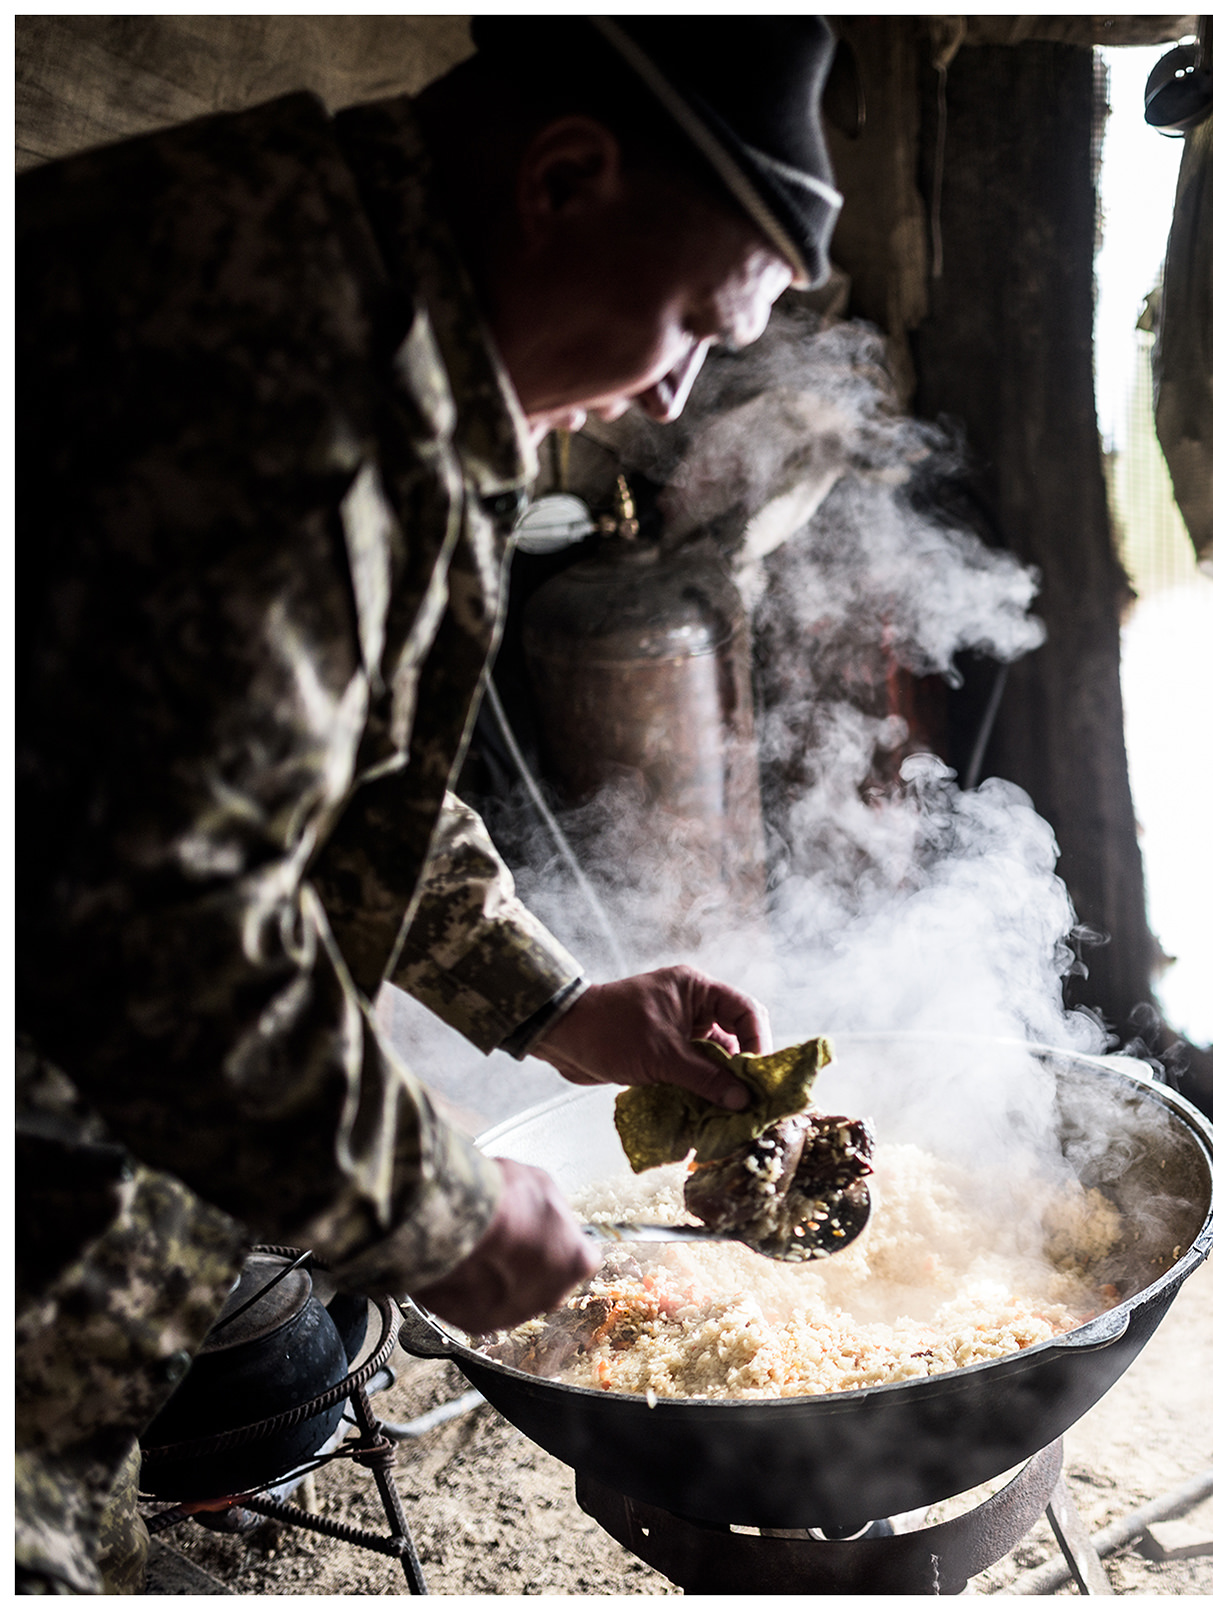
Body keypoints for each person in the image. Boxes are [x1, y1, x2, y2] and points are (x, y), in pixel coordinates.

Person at [16, 17, 841, 1593]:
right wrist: (439, 1209)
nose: (672, 396)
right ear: (565, 178)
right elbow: (166, 937)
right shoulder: (288, 396)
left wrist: (554, 1003)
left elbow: (338, 765)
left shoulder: (375, 300)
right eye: (688, 325)